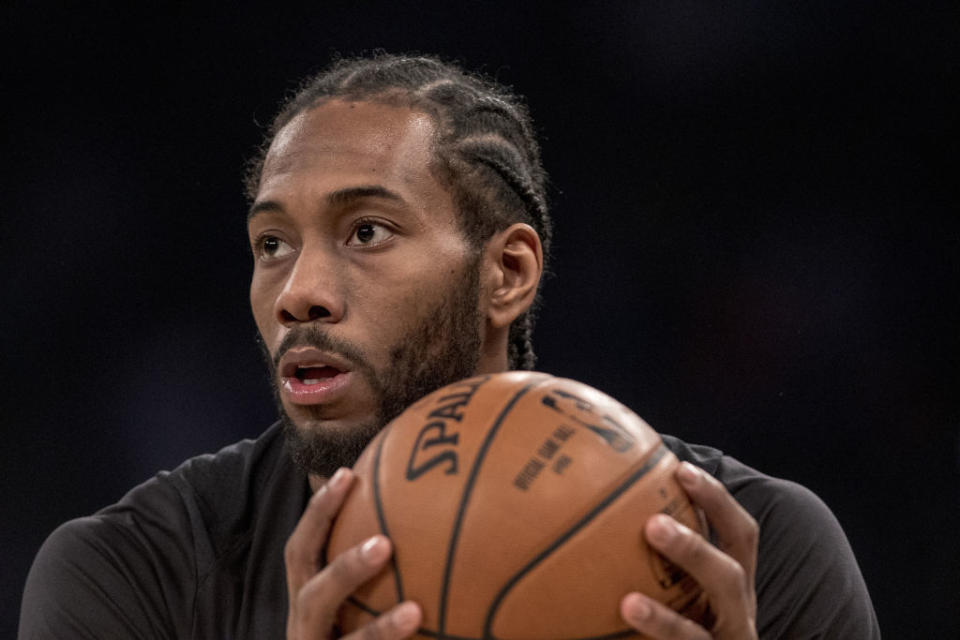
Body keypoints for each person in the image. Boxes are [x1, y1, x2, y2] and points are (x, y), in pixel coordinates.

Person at [19, 53, 880, 640]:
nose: (297, 293)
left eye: (365, 231)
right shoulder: (136, 574)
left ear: (506, 272)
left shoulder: (751, 551)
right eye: (272, 244)